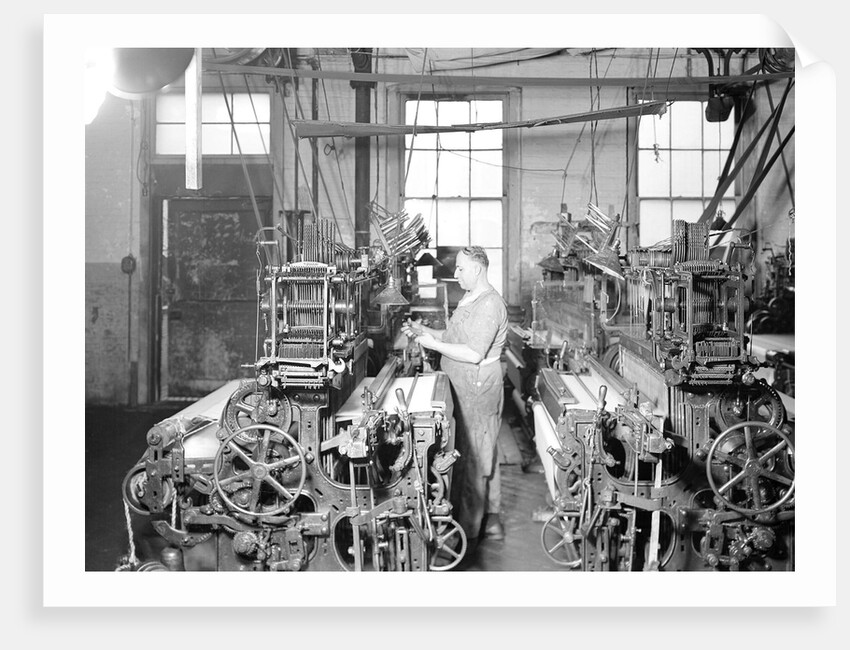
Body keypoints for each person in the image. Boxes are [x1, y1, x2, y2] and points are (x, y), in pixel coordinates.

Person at [402, 246, 508, 544]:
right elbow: (454, 338)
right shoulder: (471, 297)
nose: (456, 273)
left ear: (477, 269)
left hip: (476, 384)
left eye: (461, 268)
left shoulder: (489, 304)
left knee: (473, 453)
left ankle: (468, 535)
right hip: (463, 381)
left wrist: (433, 345)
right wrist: (422, 330)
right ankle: (491, 519)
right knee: (481, 447)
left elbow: (473, 353)